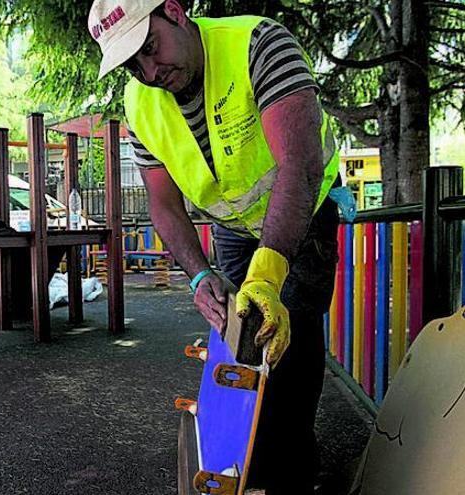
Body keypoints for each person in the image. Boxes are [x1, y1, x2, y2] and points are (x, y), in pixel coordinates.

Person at [88, 0, 345, 492]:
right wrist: (200, 275)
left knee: (286, 346)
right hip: (231, 228)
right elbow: (164, 206)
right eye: (132, 65)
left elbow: (300, 165)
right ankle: (246, 468)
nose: (150, 71)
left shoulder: (258, 43)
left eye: (150, 47)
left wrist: (268, 277)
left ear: (175, 11)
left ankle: (292, 475)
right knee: (240, 346)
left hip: (302, 215)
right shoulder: (139, 104)